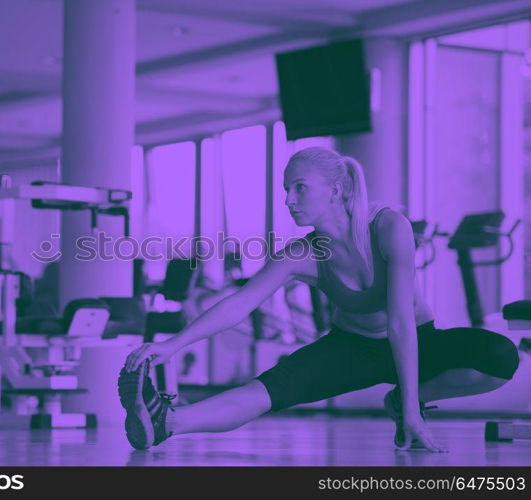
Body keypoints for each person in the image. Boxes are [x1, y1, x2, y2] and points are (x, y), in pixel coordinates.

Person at [117, 146, 520, 453]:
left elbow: (400, 322)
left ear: (336, 190)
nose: (289, 199)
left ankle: (401, 400)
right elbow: (241, 302)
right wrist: (173, 345)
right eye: (286, 189)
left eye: (300, 188)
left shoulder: (388, 227)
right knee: (266, 391)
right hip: (350, 349)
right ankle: (167, 420)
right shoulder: (301, 254)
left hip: (417, 339)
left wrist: (413, 408)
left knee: (500, 356)